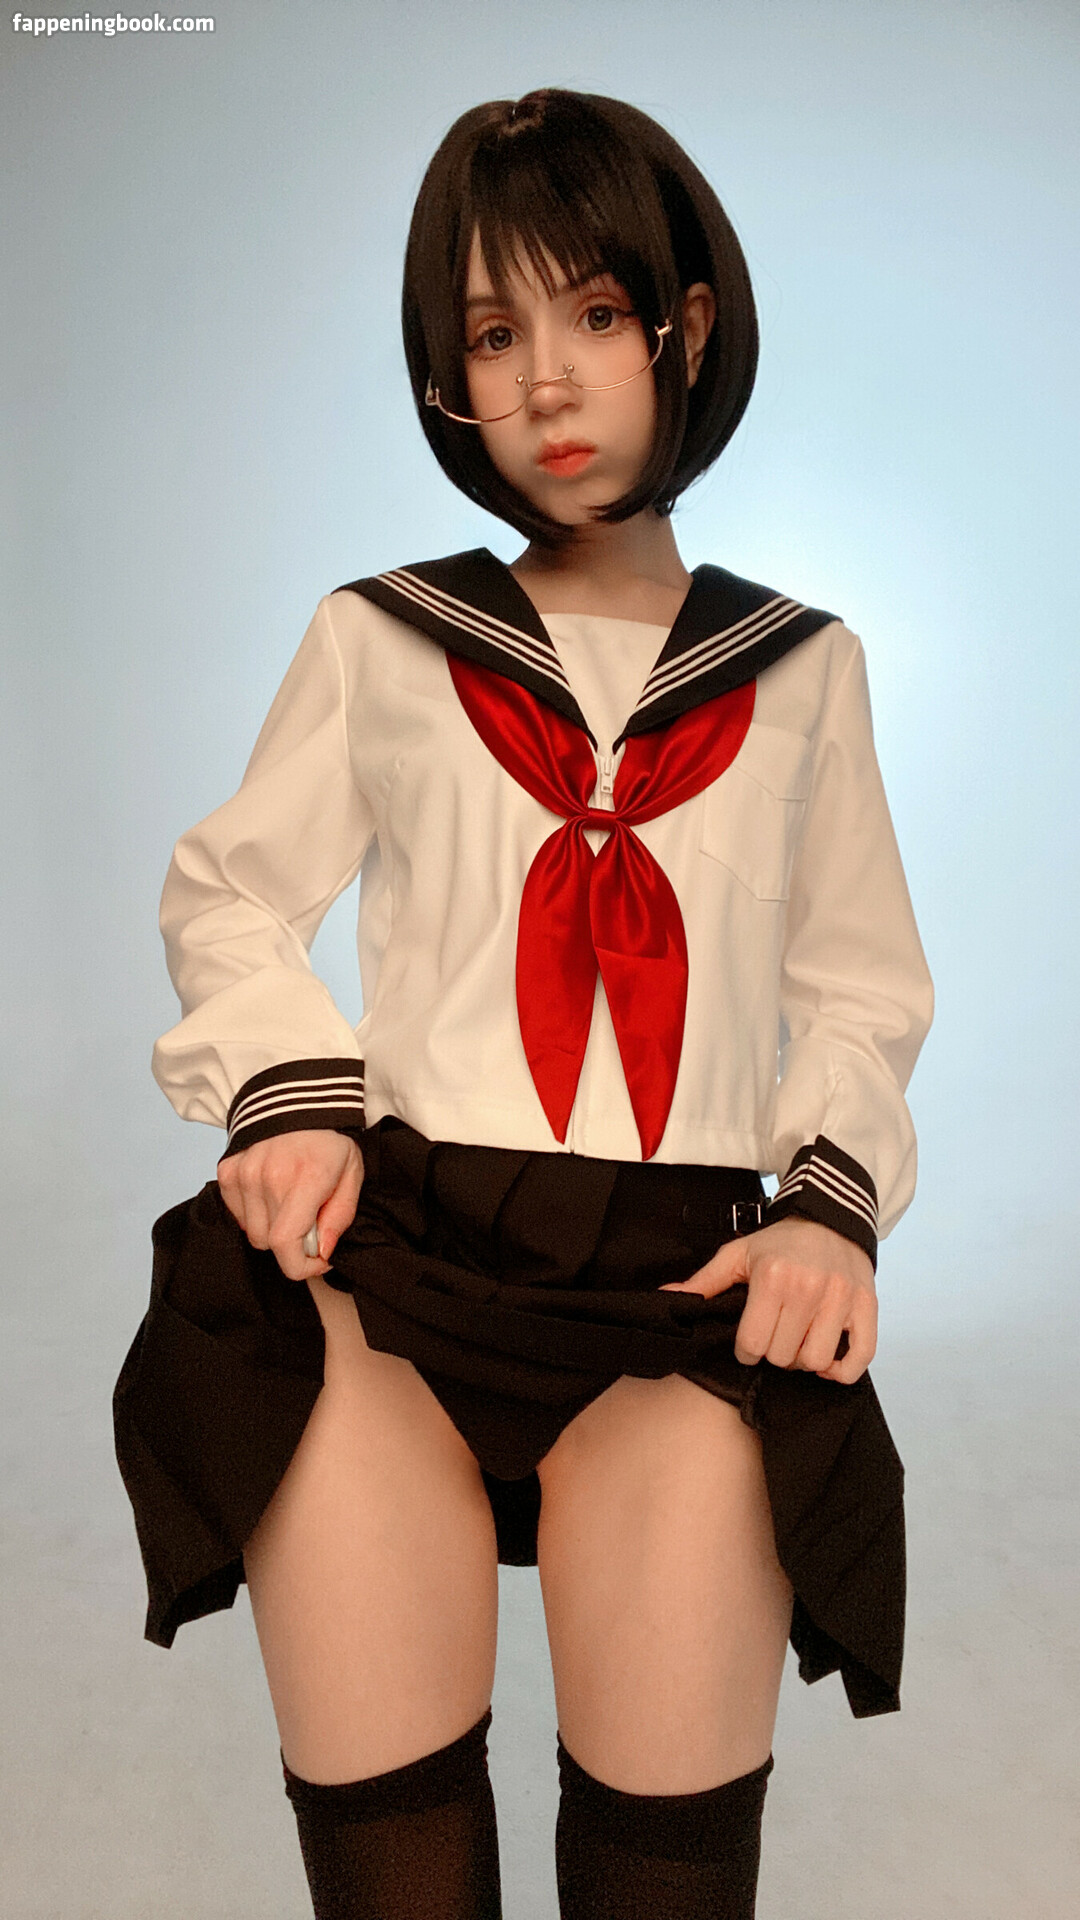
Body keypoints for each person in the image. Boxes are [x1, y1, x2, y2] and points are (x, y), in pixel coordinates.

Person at [113, 88, 934, 1919]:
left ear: (687, 328)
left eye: (597, 314)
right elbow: (232, 891)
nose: (549, 380)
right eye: (494, 335)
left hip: (676, 1294)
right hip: (397, 1281)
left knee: (665, 1882)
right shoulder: (385, 638)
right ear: (447, 378)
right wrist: (293, 1094)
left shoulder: (803, 673)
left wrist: (827, 1208)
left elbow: (859, 989)